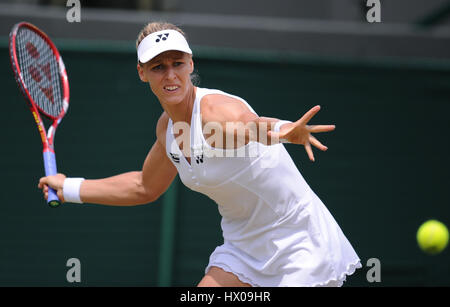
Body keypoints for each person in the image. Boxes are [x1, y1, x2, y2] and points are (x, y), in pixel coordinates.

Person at [38, 22, 362, 287]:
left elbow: (247, 127)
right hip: (243, 249)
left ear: (190, 64)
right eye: (158, 67)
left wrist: (283, 130)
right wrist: (67, 188)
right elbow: (143, 186)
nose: (170, 75)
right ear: (142, 72)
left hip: (299, 245)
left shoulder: (213, 112)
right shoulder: (167, 130)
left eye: (177, 63)